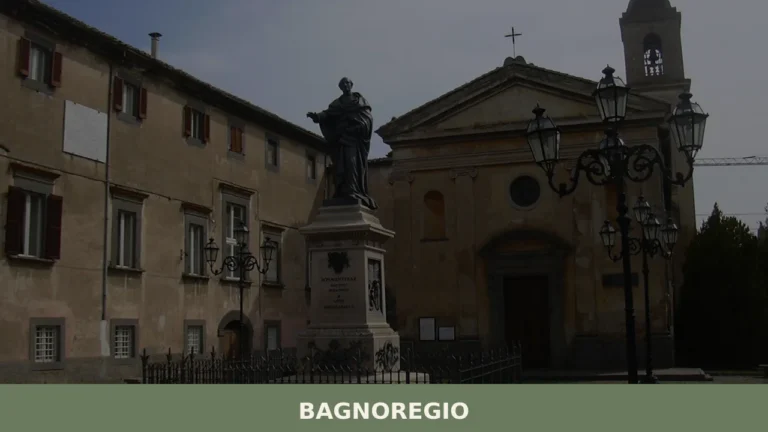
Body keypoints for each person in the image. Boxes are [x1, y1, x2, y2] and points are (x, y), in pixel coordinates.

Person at [307, 77, 378, 210]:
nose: (345, 85)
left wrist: (356, 126)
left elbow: (367, 120)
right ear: (340, 87)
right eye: (342, 84)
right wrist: (317, 117)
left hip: (354, 140)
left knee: (351, 164)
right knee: (339, 166)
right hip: (340, 139)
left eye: (347, 83)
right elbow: (327, 114)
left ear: (351, 85)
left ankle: (353, 190)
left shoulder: (360, 102)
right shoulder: (337, 103)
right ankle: (342, 191)